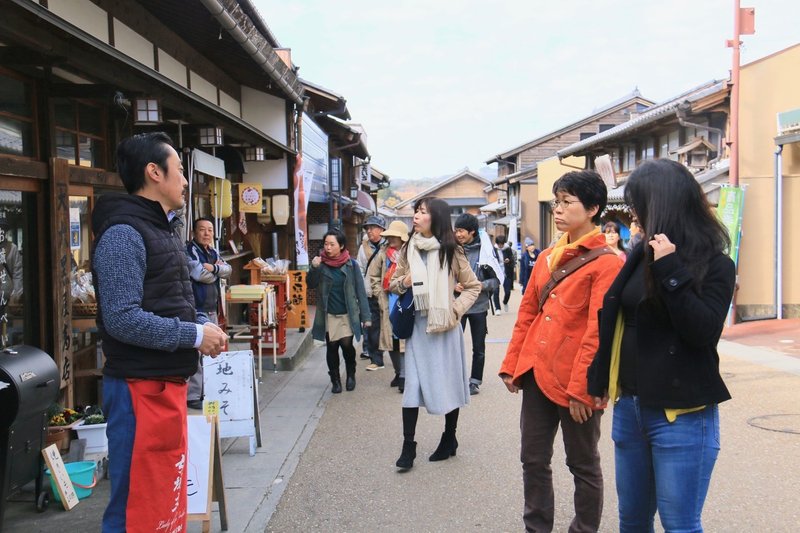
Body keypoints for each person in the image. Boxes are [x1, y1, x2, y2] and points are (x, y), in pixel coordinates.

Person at [587, 159, 735, 533]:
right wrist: (599, 379)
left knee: (679, 524)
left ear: (663, 204)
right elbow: (615, 316)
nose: (634, 214)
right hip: (631, 409)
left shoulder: (715, 264)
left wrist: (670, 269)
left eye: (639, 204)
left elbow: (701, 331)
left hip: (681, 415)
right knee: (632, 521)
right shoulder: (638, 253)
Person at [92, 132, 228, 532]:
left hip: (161, 384)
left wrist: (201, 324)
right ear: (154, 173)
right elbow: (122, 319)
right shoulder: (123, 234)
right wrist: (192, 336)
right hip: (138, 389)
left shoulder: (161, 229)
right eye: (181, 171)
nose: (186, 181)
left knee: (162, 503)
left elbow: (168, 301)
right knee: (136, 506)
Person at [499, 169, 623, 533]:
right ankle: (536, 527)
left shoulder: (607, 262)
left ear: (593, 208)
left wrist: (584, 389)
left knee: (582, 464)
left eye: (567, 202)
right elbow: (527, 312)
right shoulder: (548, 256)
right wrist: (512, 364)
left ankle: (583, 530)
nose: (558, 209)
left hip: (575, 381)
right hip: (537, 372)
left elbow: (598, 331)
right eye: (557, 201)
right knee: (533, 459)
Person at [389, 197, 481, 471]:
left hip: (445, 327)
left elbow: (473, 287)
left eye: (422, 212)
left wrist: (455, 310)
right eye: (416, 211)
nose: (416, 216)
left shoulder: (452, 250)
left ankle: (449, 438)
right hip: (418, 327)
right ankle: (408, 447)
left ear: (436, 218)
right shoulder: (409, 249)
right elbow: (393, 284)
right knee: (412, 387)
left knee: (449, 382)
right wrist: (404, 282)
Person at [308, 228, 371, 393]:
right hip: (328, 313)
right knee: (332, 346)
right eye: (326, 244)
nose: (327, 248)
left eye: (331, 244)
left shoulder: (352, 265)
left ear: (341, 246)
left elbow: (360, 292)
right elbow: (310, 284)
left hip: (347, 313)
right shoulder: (320, 264)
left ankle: (351, 373)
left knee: (347, 346)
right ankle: (335, 380)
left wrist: (366, 316)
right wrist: (313, 268)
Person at [185, 217, 232, 410]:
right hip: (197, 309)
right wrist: (217, 272)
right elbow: (199, 275)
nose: (207, 234)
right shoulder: (189, 251)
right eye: (202, 230)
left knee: (213, 350)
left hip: (212, 307)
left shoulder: (212, 252)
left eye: (210, 230)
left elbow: (228, 270)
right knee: (196, 352)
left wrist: (213, 268)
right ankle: (193, 394)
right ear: (194, 232)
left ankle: (208, 391)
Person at [453, 213, 500, 396]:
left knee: (478, 346)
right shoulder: (453, 249)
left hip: (479, 306)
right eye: (456, 231)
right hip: (458, 304)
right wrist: (452, 285)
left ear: (472, 231)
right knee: (454, 344)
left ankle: (474, 381)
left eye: (462, 231)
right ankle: (455, 378)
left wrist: (481, 285)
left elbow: (496, 280)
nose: (458, 235)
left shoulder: (486, 252)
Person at [367, 220, 410, 392]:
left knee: (404, 339)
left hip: (406, 300)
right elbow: (374, 275)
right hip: (388, 300)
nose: (391, 239)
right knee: (391, 340)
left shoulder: (410, 252)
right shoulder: (383, 253)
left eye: (394, 236)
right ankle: (399, 372)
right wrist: (379, 293)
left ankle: (405, 376)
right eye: (390, 236)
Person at [357, 215, 387, 369]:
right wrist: (363, 290)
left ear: (381, 229)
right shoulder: (363, 247)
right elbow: (360, 269)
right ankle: (376, 359)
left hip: (388, 293)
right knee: (373, 326)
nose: (369, 231)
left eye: (372, 228)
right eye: (367, 228)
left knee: (390, 325)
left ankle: (399, 360)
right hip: (370, 293)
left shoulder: (389, 245)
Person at [492, 234, 515, 314]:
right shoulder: (493, 249)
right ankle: (497, 308)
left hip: (506, 272)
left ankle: (505, 302)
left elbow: (512, 259)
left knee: (508, 291)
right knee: (496, 291)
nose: (501, 246)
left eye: (502, 244)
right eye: (499, 244)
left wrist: (508, 260)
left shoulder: (507, 249)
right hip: (496, 273)